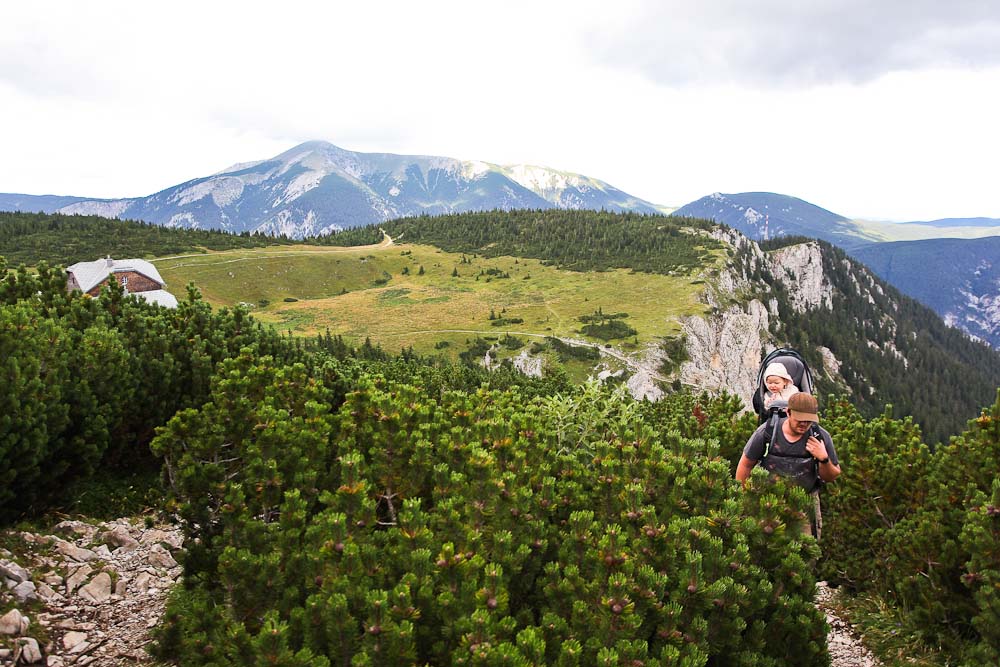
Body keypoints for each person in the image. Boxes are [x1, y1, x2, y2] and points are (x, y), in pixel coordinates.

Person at [736, 392, 841, 539]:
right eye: (800, 419)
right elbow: (745, 465)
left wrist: (823, 458)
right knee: (764, 543)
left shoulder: (820, 436)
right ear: (788, 412)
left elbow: (832, 475)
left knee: (805, 549)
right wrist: (745, 497)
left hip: (804, 502)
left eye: (808, 420)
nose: (804, 424)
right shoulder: (767, 432)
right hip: (769, 501)